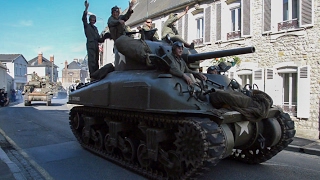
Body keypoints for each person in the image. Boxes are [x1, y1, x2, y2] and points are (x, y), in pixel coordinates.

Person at [82, 1, 111, 78]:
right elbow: (83, 19)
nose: (93, 21)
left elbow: (99, 39)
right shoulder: (87, 26)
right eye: (91, 19)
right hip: (91, 45)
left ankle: (96, 74)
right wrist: (86, 8)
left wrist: (106, 36)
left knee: (96, 60)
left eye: (94, 20)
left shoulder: (95, 29)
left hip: (95, 45)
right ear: (89, 20)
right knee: (92, 61)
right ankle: (92, 75)